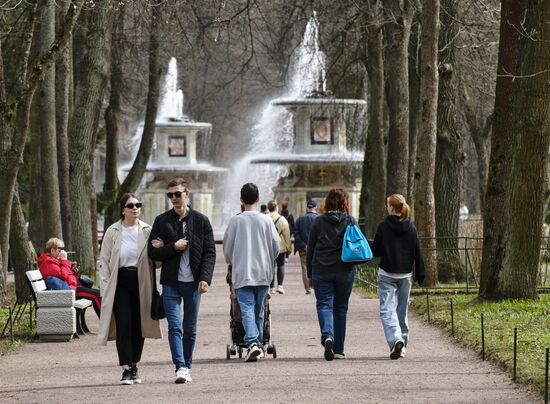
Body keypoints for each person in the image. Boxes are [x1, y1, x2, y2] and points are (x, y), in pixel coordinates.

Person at [147, 177, 215, 384]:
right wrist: (172, 247)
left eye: (178, 194)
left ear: (187, 194)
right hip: (171, 283)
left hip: (193, 283)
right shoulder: (162, 221)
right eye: (170, 195)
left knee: (190, 328)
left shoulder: (201, 221)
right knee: (174, 327)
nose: (174, 198)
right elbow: (152, 252)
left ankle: (188, 364)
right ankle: (181, 367)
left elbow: (209, 253)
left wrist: (205, 278)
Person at [97, 194, 162, 385]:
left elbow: (156, 263)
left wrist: (160, 248)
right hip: (119, 282)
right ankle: (126, 368)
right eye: (130, 205)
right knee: (124, 323)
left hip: (141, 282)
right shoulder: (113, 231)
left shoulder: (147, 230)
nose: (135, 208)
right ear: (122, 209)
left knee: (138, 324)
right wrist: (105, 289)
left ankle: (134, 365)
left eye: (138, 205)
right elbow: (105, 261)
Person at [223, 183, 280, 362]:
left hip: (242, 271)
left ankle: (253, 343)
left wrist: (234, 261)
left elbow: (227, 250)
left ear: (241, 199)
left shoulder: (235, 221)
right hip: (263, 272)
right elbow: (276, 247)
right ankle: (259, 342)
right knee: (260, 308)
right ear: (258, 199)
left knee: (246, 307)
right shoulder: (266, 220)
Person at [369, 194, 425, 360]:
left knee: (387, 310)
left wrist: (369, 245)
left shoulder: (383, 227)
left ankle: (396, 339)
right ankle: (402, 347)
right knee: (402, 311)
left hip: (387, 273)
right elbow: (417, 252)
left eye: (388, 205)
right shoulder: (411, 227)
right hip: (405, 275)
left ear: (392, 208)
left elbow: (377, 252)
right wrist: (420, 273)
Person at [307, 188, 356, 361]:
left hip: (321, 269)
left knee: (324, 305)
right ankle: (339, 350)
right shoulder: (350, 220)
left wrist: (310, 274)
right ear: (345, 203)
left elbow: (311, 249)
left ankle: (328, 336)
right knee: (341, 308)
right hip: (344, 269)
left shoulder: (318, 222)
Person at [37, 238, 102, 318]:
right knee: (96, 295)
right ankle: (105, 325)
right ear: (52, 250)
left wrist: (74, 271)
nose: (62, 252)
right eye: (60, 249)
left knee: (99, 293)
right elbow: (62, 276)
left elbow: (67, 274)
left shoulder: (55, 260)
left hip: (72, 287)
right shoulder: (47, 262)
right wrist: (64, 260)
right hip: (68, 292)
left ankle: (105, 324)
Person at [294, 200, 319, 294]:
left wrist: (304, 246)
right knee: (317, 267)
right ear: (315, 208)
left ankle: (308, 288)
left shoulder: (300, 219)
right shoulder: (319, 219)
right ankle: (317, 286)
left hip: (303, 249)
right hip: (317, 249)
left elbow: (296, 235)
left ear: (307, 208)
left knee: (304, 268)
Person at [267, 200, 291, 294]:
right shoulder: (282, 219)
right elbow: (287, 234)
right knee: (281, 265)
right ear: (276, 207)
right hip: (280, 246)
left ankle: (271, 287)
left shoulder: (265, 218)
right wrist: (289, 247)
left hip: (268, 247)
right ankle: (280, 286)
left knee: (271, 266)